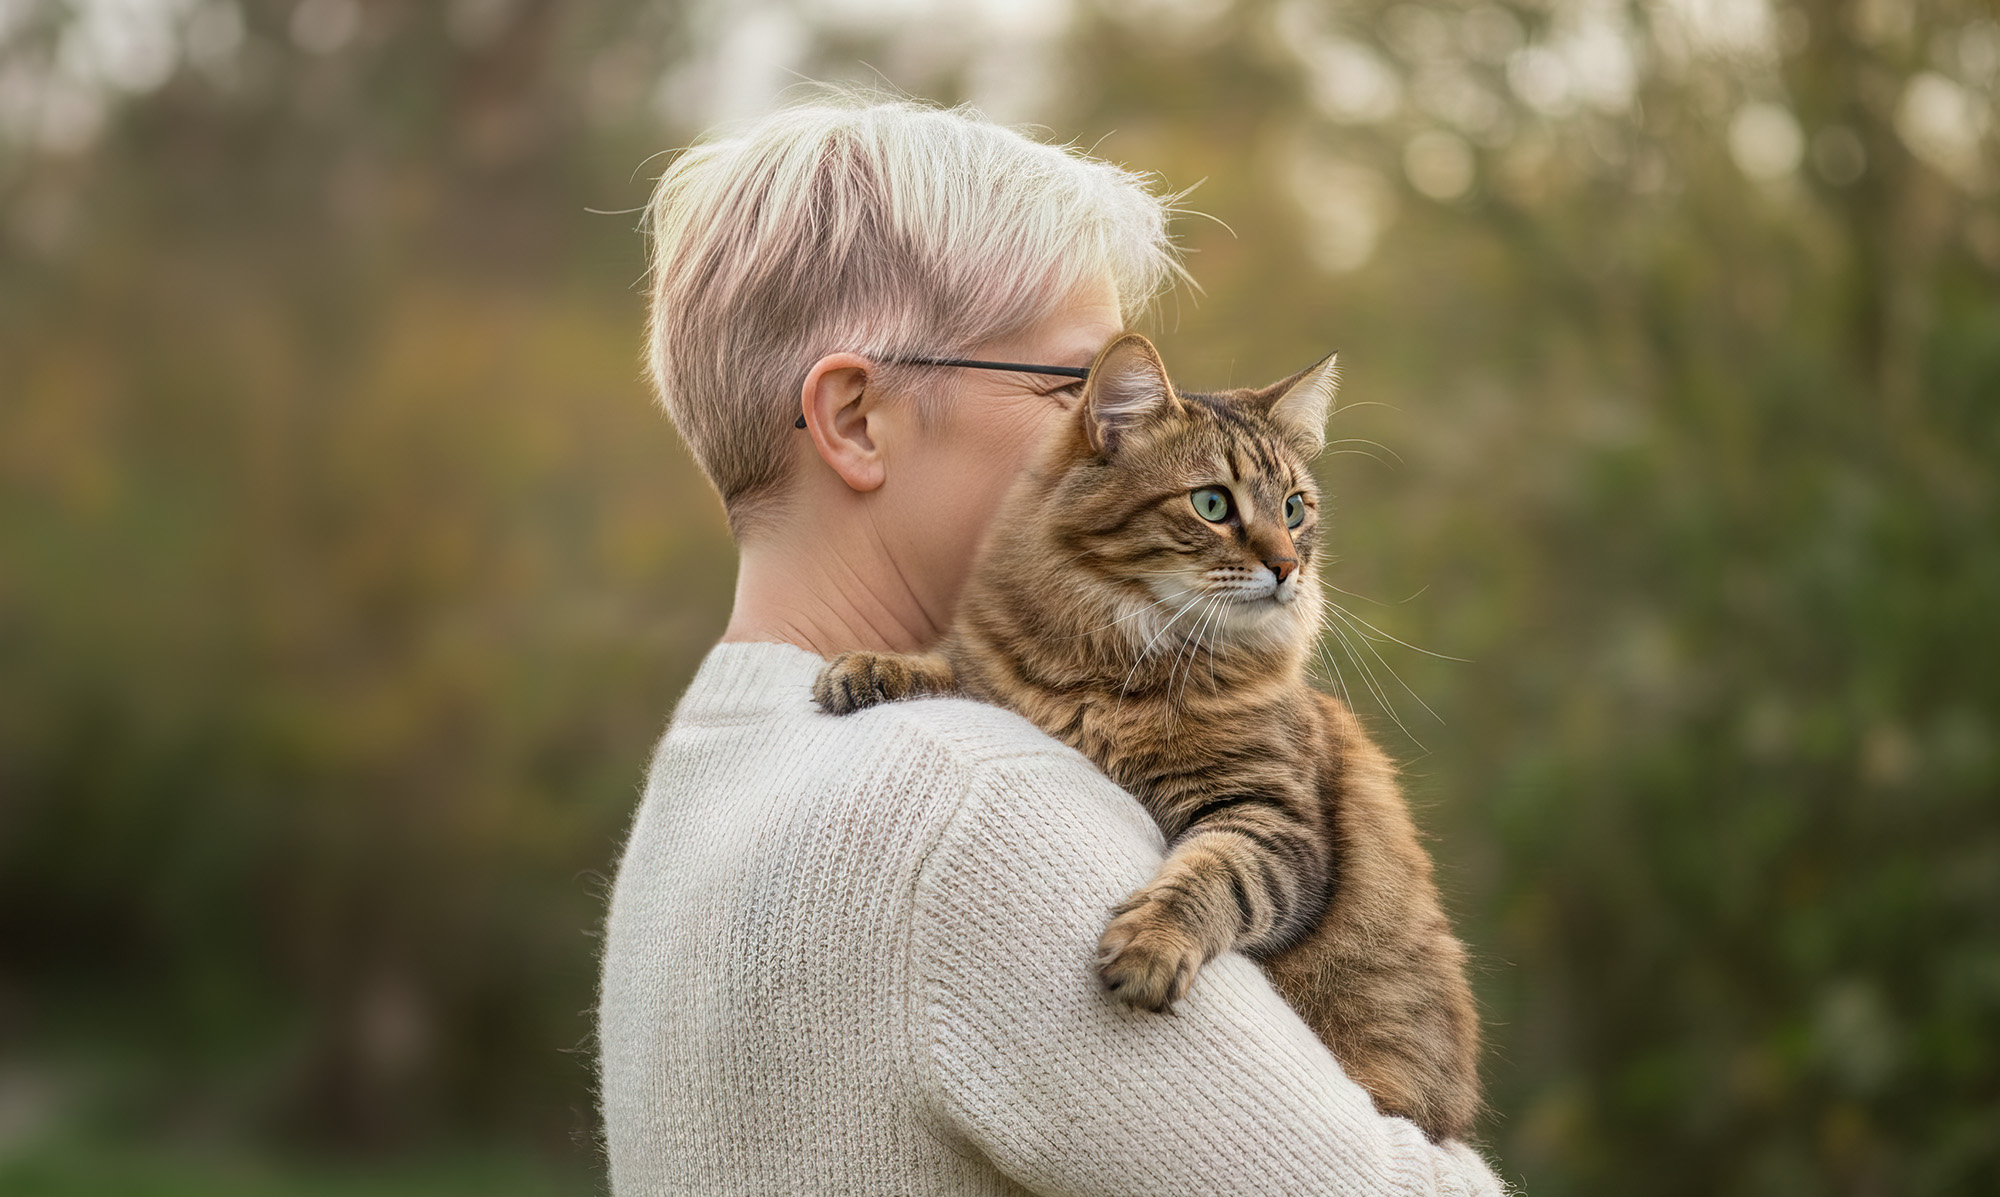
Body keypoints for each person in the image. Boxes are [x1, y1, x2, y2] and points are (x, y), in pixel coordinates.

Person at [597, 92, 1508, 1196]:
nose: (1121, 435)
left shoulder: (708, 766)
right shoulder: (971, 805)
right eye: (1077, 389)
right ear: (852, 420)